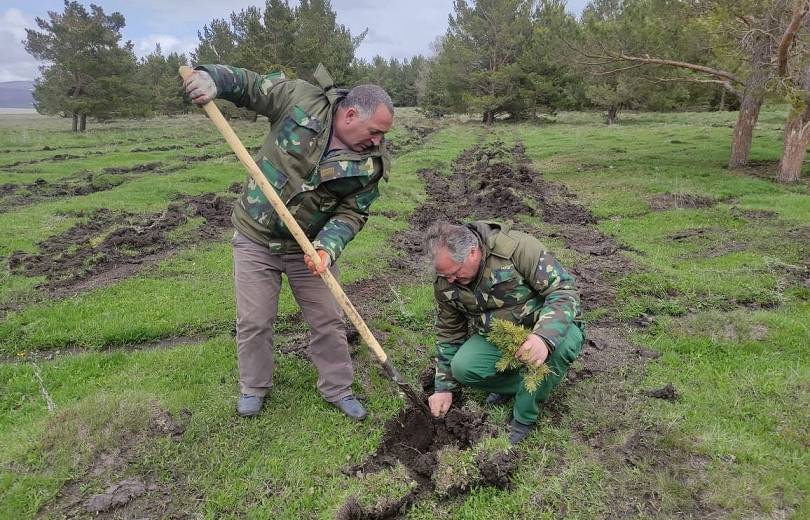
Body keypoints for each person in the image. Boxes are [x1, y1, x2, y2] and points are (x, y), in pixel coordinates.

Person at [183, 63, 394, 420]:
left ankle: (338, 388)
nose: (377, 141)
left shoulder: (371, 165)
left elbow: (352, 213)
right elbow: (251, 86)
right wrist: (212, 79)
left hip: (309, 248)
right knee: (254, 320)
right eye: (374, 132)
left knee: (329, 319)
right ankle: (254, 386)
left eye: (381, 135)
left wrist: (327, 247)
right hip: (256, 235)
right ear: (351, 114)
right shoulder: (301, 100)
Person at [424, 221, 585, 444]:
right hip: (501, 336)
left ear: (473, 252)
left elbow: (564, 292)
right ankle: (520, 384)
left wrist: (543, 338)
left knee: (554, 353)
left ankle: (523, 417)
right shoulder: (446, 280)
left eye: (455, 273)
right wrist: (444, 388)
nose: (450, 280)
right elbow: (450, 332)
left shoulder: (518, 249)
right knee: (463, 367)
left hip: (552, 328)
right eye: (444, 275)